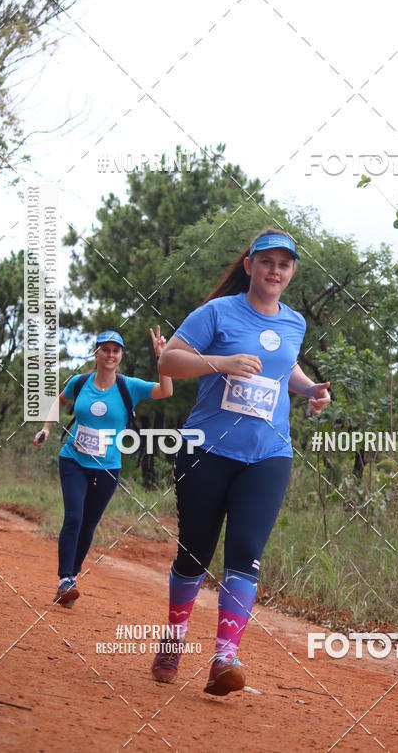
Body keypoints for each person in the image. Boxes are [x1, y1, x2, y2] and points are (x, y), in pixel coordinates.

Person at [152, 229, 331, 695]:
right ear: (249, 266)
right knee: (194, 552)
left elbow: (284, 367)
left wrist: (309, 389)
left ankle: (224, 659)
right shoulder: (217, 312)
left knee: (246, 553)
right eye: (267, 262)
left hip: (269, 454)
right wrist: (223, 363)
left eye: (284, 265)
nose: (275, 271)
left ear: (292, 273)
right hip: (205, 450)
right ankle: (172, 641)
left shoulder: (294, 323)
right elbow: (170, 361)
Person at [34, 327, 172, 607]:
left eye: (116, 350)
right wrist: (47, 428)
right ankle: (64, 579)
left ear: (121, 355)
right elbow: (60, 401)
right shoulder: (80, 382)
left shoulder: (128, 386)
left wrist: (163, 357)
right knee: (73, 517)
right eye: (105, 349)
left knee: (88, 525)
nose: (110, 355)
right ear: (96, 352)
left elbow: (166, 390)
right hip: (73, 459)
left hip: (108, 467)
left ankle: (70, 579)